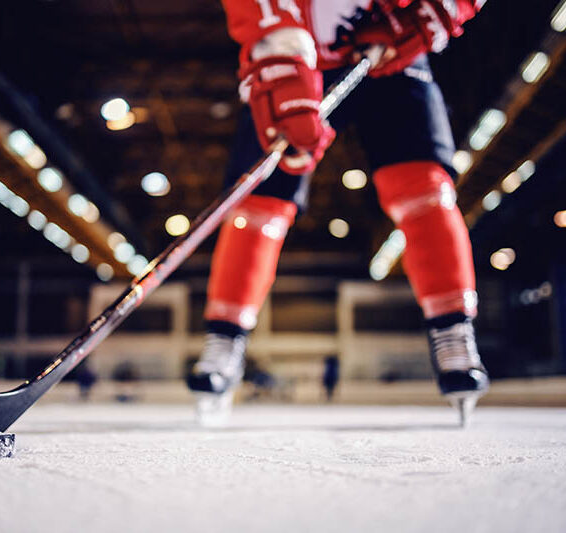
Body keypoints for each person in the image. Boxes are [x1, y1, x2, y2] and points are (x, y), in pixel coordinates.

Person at [186, 0, 490, 424]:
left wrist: (435, 8)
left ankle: (454, 335)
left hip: (390, 46)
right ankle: (224, 343)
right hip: (299, 54)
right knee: (258, 204)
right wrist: (279, 55)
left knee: (423, 188)